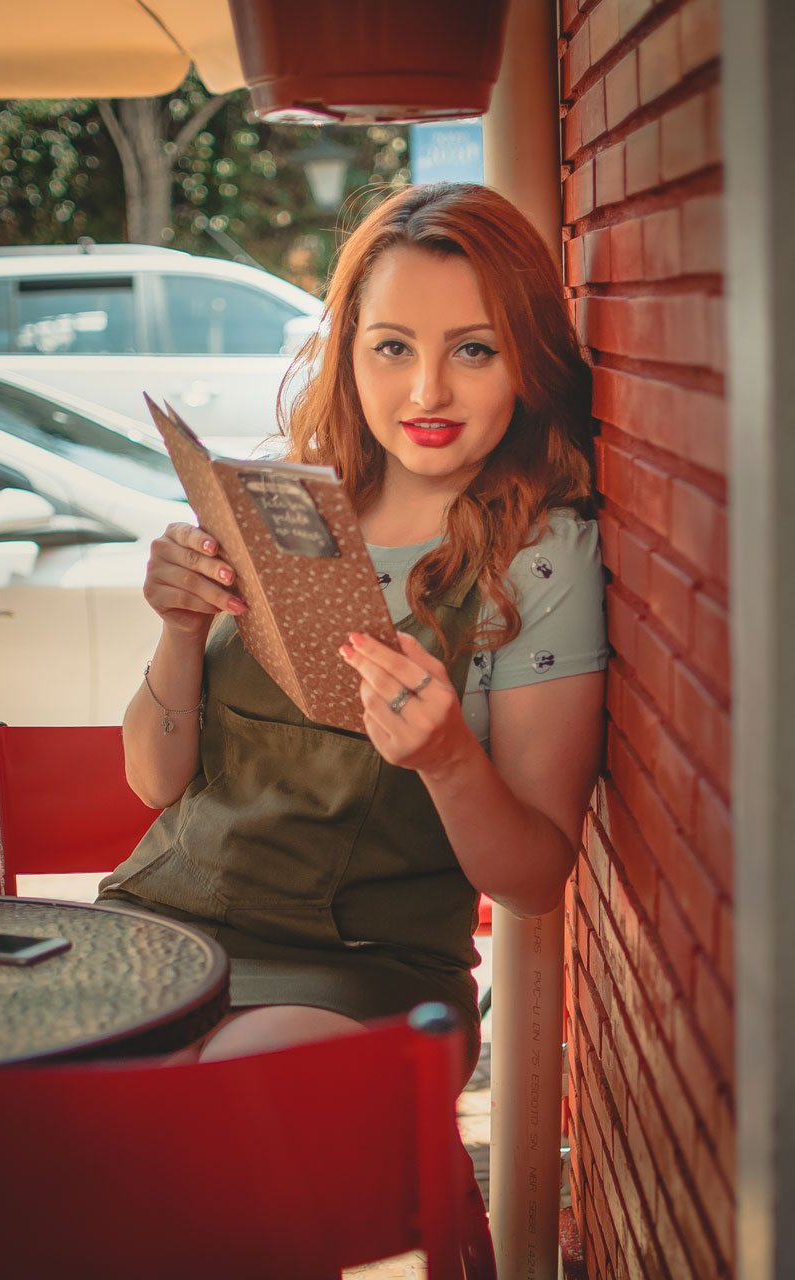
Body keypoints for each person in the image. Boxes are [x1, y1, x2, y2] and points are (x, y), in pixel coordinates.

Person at [98, 182, 607, 1081]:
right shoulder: (284, 501)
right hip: (159, 935)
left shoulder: (538, 556)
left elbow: (531, 883)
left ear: (526, 360)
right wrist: (178, 631)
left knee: (200, 1111)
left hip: (358, 972)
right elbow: (154, 782)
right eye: (392, 347)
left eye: (474, 350)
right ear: (349, 354)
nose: (426, 390)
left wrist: (449, 757)